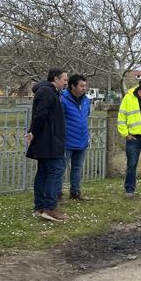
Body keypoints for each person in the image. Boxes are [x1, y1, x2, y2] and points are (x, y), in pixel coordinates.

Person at [26, 68, 69, 222]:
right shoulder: (46, 92)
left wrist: (33, 132)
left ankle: (40, 207)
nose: (66, 82)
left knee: (44, 172)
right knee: (55, 170)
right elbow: (40, 114)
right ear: (56, 79)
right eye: (64, 79)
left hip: (47, 140)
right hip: (49, 141)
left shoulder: (50, 92)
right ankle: (49, 208)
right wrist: (33, 132)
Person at [59, 74, 91, 202]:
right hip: (66, 141)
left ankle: (75, 192)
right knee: (61, 168)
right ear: (73, 86)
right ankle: (57, 194)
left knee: (77, 168)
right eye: (81, 86)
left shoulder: (86, 100)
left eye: (85, 86)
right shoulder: (62, 99)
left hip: (82, 140)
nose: (84, 88)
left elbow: (86, 117)